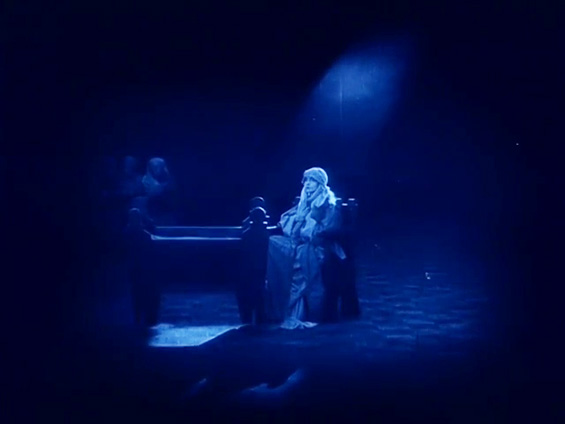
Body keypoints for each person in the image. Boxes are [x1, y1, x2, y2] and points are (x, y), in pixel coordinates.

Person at [265, 167, 346, 329]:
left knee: (302, 256)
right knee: (273, 243)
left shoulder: (326, 204)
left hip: (320, 247)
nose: (308, 184)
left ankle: (299, 311)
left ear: (320, 183)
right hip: (301, 243)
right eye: (306, 180)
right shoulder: (304, 203)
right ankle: (277, 305)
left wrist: (310, 224)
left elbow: (322, 231)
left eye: (312, 180)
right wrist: (300, 219)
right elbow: (292, 231)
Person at [131, 157, 178, 226]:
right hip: (150, 213)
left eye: (158, 166)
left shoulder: (170, 183)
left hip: (165, 214)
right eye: (154, 167)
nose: (156, 169)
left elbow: (172, 202)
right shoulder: (144, 180)